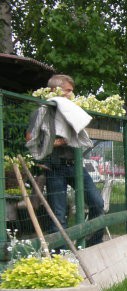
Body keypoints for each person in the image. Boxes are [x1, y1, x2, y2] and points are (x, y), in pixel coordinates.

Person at [25, 74, 105, 247]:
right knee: (59, 215)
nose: (71, 95)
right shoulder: (42, 111)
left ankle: (94, 243)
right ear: (56, 90)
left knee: (97, 203)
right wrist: (55, 142)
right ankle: (61, 254)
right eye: (68, 91)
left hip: (75, 166)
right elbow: (30, 138)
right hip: (54, 167)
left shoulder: (71, 111)